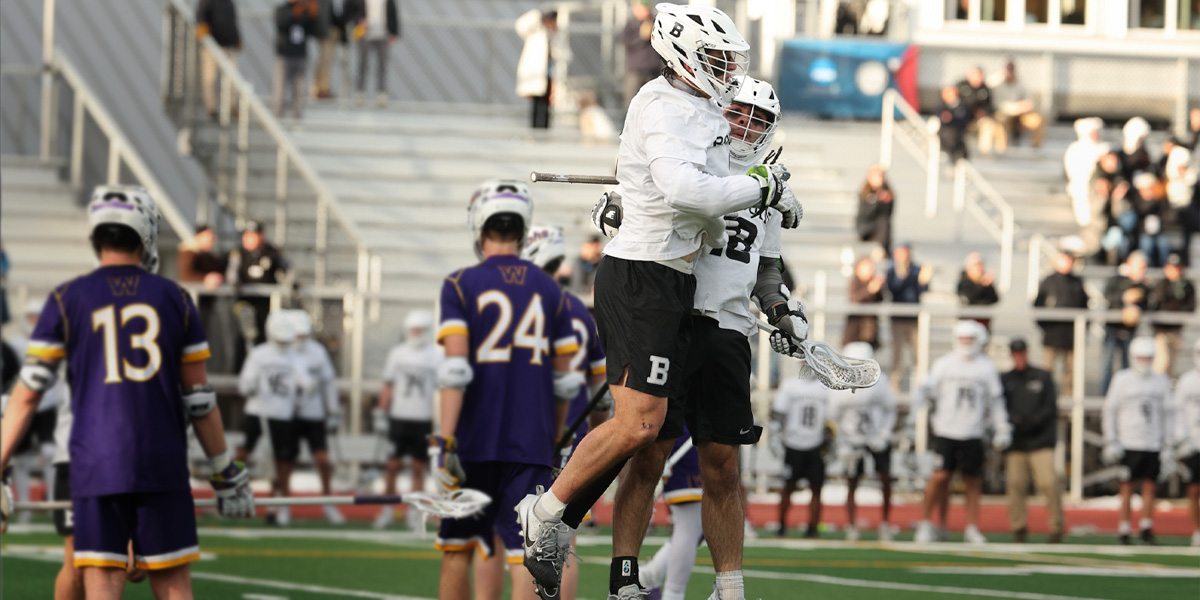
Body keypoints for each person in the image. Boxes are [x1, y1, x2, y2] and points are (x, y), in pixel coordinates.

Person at [515, 8, 800, 598]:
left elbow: (718, 180)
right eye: (717, 57)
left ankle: (555, 517)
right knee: (640, 426)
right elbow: (689, 192)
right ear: (681, 50)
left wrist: (770, 187)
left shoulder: (695, 106)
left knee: (645, 432)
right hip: (642, 274)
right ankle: (548, 513)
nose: (726, 70)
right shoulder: (665, 105)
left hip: (673, 280)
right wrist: (765, 186)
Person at [0, 185, 254, 598]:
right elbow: (199, 400)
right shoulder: (176, 298)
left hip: (95, 462)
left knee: (101, 586)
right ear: (146, 233)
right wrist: (223, 469)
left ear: (97, 236)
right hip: (162, 459)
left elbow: (27, 393)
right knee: (174, 588)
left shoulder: (68, 298)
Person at [432, 180, 582, 600]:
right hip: (531, 444)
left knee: (458, 550)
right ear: (522, 226)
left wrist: (444, 441)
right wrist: (553, 442)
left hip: (473, 440)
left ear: (479, 225)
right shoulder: (550, 289)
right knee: (524, 555)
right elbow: (565, 381)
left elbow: (456, 371)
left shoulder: (460, 283)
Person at [520, 225, 610, 600]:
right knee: (559, 542)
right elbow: (600, 398)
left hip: (519, 437)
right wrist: (593, 450)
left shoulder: (516, 307)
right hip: (568, 440)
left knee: (516, 546)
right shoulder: (577, 311)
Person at [911, 320, 1011, 544]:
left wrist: (1002, 426)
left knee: (972, 480)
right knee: (940, 477)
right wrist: (912, 417)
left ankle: (971, 527)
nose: (966, 343)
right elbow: (925, 392)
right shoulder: (944, 364)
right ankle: (926, 522)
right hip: (946, 430)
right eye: (962, 339)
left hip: (973, 431)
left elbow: (995, 401)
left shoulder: (986, 367)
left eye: (970, 339)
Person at [238, 310, 312, 527]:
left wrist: (308, 388)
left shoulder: (294, 357)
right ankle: (230, 495)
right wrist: (249, 386)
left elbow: (304, 380)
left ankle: (280, 505)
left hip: (282, 414)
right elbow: (244, 384)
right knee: (241, 453)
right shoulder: (259, 354)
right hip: (257, 411)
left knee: (282, 463)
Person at [373, 309, 441, 530]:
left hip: (422, 419)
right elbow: (388, 384)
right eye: (413, 329)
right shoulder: (398, 353)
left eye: (420, 329)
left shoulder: (436, 355)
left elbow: (445, 389)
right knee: (392, 465)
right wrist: (381, 413)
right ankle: (387, 509)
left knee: (417, 467)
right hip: (399, 418)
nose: (416, 333)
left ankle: (415, 512)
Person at [1102, 337, 1172, 545]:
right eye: (1141, 357)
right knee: (1127, 487)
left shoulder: (1161, 380)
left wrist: (1168, 444)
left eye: (1148, 357)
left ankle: (1146, 528)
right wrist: (1111, 440)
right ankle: (1124, 529)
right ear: (1133, 357)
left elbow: (1168, 414)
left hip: (1153, 442)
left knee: (1150, 487)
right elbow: (1110, 411)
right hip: (1129, 441)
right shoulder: (1122, 379)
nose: (1144, 361)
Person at [828, 342, 896, 542]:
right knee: (852, 482)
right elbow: (833, 417)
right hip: (851, 440)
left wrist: (884, 434)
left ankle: (885, 524)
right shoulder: (838, 383)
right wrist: (842, 443)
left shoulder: (880, 381)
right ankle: (851, 525)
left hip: (876, 438)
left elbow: (890, 410)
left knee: (885, 479)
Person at [6, 300, 64, 525]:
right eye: (31, 318)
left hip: (48, 404)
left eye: (38, 318)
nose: (34, 323)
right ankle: (24, 508)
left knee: (50, 453)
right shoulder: (15, 344)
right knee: (20, 460)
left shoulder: (58, 342)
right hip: (23, 405)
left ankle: (51, 503)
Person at [1000, 338, 1063, 544]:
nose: (1019, 357)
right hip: (1017, 441)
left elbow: (1050, 407)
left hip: (1040, 439)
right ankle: (1019, 528)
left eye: (1022, 352)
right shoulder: (1006, 379)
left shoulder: (1042, 377)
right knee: (1015, 484)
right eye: (1015, 353)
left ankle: (1056, 526)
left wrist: (1034, 420)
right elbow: (1000, 407)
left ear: (1027, 353)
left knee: (1048, 483)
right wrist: (1013, 420)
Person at [288, 309, 345, 524]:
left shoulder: (317, 352)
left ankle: (328, 503)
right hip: (288, 414)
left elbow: (328, 383)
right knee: (284, 462)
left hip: (313, 413)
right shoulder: (281, 350)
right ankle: (281, 505)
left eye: (304, 334)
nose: (300, 338)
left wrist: (333, 411)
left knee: (323, 459)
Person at [637, 431, 702, 600]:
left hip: (692, 425)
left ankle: (651, 574)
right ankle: (672, 594)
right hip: (685, 428)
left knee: (705, 524)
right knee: (691, 522)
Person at [771, 374, 830, 539]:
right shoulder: (790, 385)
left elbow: (832, 418)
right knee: (788, 486)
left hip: (816, 444)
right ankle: (782, 524)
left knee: (816, 488)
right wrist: (775, 437)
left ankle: (813, 527)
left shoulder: (826, 386)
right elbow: (778, 414)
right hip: (793, 443)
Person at [226, 220, 291, 370]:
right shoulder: (238, 254)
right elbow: (231, 274)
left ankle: (266, 371)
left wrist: (290, 283)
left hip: (267, 304)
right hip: (245, 302)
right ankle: (239, 373)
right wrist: (235, 283)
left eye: (254, 235)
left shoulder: (272, 252)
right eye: (248, 235)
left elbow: (289, 270)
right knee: (245, 336)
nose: (251, 238)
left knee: (265, 336)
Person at [1033, 252, 1088, 394]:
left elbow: (1085, 307)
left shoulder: (1077, 282)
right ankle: (1046, 399)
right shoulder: (1048, 281)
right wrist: (1046, 327)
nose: (1068, 263)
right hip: (1052, 334)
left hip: (1072, 335)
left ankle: (1069, 405)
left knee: (1070, 372)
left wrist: (1083, 329)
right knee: (1048, 370)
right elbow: (1038, 306)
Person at [1101, 251, 1152, 395]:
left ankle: (1125, 395)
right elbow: (1108, 296)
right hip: (1112, 329)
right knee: (1107, 366)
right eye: (1140, 267)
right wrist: (1124, 299)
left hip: (1130, 332)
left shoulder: (1143, 285)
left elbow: (1148, 304)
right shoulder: (1117, 279)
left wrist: (1137, 307)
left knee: (1127, 367)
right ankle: (1105, 396)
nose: (1143, 270)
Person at [886, 242, 932, 393]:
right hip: (898, 319)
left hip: (914, 319)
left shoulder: (917, 269)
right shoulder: (893, 270)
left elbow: (921, 289)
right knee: (897, 355)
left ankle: (919, 385)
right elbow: (893, 288)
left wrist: (924, 281)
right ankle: (895, 386)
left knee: (917, 354)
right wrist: (900, 276)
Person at [1169, 340, 1200, 547]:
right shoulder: (1188, 380)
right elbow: (1176, 411)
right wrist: (1180, 439)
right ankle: (1197, 531)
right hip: (1193, 443)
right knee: (1194, 490)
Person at [516, 9, 564, 129]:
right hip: (538, 73)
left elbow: (564, 52)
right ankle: (535, 128)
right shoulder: (536, 32)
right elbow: (520, 25)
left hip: (550, 72)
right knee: (537, 103)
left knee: (547, 103)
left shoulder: (555, 34)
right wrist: (537, 15)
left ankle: (544, 128)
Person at [1150, 254, 1196, 377]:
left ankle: (1165, 390)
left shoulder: (1187, 286)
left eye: (1177, 268)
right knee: (1162, 362)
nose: (1175, 271)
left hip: (1176, 329)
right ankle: (1158, 389)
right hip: (1161, 330)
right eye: (1172, 268)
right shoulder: (1161, 284)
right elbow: (1159, 303)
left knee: (1171, 364)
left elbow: (1190, 307)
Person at [196, 0, 241, 120]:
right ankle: (211, 108)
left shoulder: (229, 3)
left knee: (234, 79)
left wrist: (237, 37)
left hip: (229, 46)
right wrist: (202, 27)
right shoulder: (207, 2)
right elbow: (201, 16)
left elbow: (233, 22)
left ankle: (233, 106)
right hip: (212, 46)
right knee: (210, 78)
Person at [273, 0, 319, 119]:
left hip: (300, 53)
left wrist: (313, 16)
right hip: (285, 53)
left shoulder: (304, 11)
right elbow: (280, 24)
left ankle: (297, 113)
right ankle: (278, 112)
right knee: (280, 86)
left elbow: (313, 31)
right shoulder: (282, 10)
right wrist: (294, 14)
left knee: (299, 87)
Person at [1063, 117, 1107, 231]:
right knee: (1084, 216)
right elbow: (1071, 170)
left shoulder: (1104, 148)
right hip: (1082, 187)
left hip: (1099, 189)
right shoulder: (1075, 149)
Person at [991, 61, 1045, 152]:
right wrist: (1016, 108)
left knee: (1038, 119)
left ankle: (1036, 148)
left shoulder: (1020, 83)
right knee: (999, 119)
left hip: (1021, 115)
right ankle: (1001, 149)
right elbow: (997, 104)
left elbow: (1029, 100)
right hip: (1005, 114)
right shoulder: (997, 83)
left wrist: (1025, 106)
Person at [354, 0, 398, 108]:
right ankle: (360, 92)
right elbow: (354, 11)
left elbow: (393, 13)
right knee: (363, 64)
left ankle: (381, 94)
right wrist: (359, 22)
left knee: (382, 65)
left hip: (383, 34)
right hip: (365, 34)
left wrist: (394, 32)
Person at [313, 0, 361, 98]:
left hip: (337, 31)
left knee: (328, 59)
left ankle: (321, 87)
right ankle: (321, 88)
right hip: (325, 31)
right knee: (326, 58)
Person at [957, 67, 1004, 157]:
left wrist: (984, 112)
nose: (979, 78)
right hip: (962, 119)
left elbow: (990, 107)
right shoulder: (961, 86)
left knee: (988, 124)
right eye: (976, 75)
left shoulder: (985, 89)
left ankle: (985, 153)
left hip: (976, 121)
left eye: (980, 75)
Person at [622, 0, 659, 108]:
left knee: (652, 103)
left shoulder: (654, 22)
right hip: (636, 71)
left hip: (652, 71)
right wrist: (641, 37)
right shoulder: (631, 24)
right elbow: (626, 42)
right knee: (632, 103)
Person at [843, 256, 885, 349]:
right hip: (855, 333)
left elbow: (880, 300)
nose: (871, 270)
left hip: (870, 332)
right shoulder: (855, 282)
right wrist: (870, 290)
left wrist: (879, 286)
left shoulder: (872, 281)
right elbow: (855, 299)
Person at [855, 164, 894, 256]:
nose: (879, 179)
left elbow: (889, 214)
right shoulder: (865, 192)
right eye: (877, 176)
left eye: (881, 176)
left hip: (880, 230)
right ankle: (880, 250)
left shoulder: (887, 192)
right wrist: (877, 200)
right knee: (882, 222)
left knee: (884, 222)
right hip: (866, 227)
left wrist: (886, 200)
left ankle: (882, 249)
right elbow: (865, 214)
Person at [956, 251, 999, 330]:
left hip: (983, 322)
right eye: (976, 266)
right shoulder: (964, 281)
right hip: (967, 322)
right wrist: (982, 285)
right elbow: (968, 297)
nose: (979, 269)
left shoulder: (985, 281)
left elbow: (995, 299)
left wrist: (988, 286)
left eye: (981, 265)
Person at [936, 85, 971, 162]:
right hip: (944, 132)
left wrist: (952, 118)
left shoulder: (962, 105)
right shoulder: (941, 106)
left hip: (957, 131)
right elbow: (938, 116)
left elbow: (964, 118)